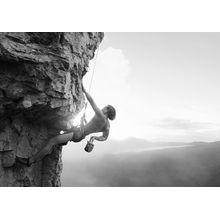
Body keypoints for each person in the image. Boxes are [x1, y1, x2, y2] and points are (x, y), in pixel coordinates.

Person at [17, 83, 116, 166]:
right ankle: (55, 138)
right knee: (61, 125)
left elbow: (92, 102)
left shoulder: (101, 116)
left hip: (77, 133)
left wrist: (84, 90)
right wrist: (94, 137)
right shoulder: (107, 126)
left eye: (105, 108)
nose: (103, 108)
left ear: (107, 111)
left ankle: (31, 160)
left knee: (52, 141)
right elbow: (104, 138)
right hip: (79, 133)